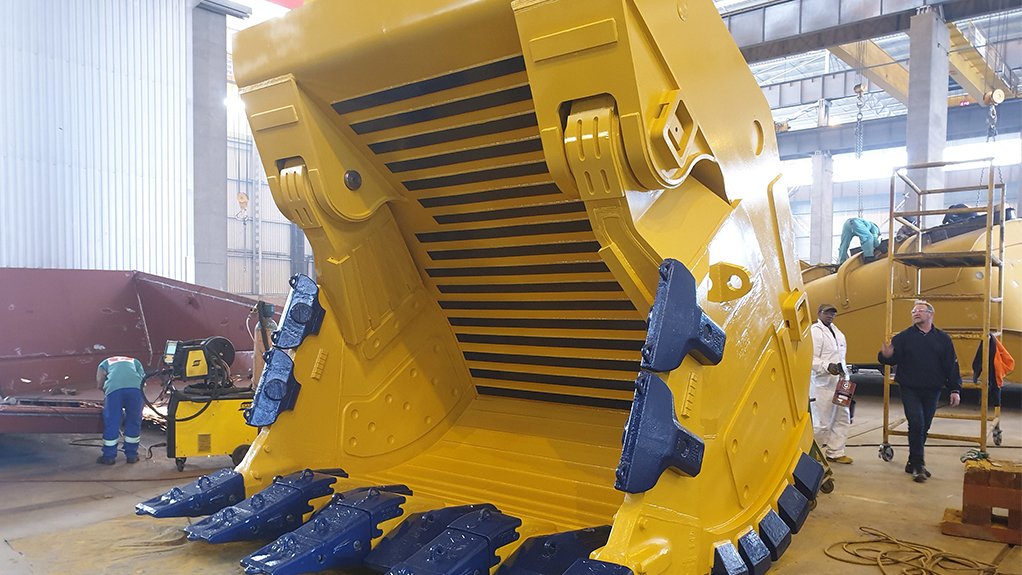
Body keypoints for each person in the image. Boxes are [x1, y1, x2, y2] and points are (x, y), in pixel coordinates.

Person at [877, 300, 961, 483]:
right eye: (913, 311)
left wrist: (955, 388)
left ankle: (911, 461)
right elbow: (889, 360)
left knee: (925, 426)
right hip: (910, 388)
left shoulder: (943, 339)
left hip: (933, 389)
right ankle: (918, 465)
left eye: (920, 311)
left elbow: (951, 365)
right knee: (916, 423)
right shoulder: (903, 337)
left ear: (931, 314)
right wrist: (886, 356)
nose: (915, 313)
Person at [810, 304, 852, 464]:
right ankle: (815, 453)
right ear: (819, 313)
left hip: (841, 383)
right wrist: (827, 366)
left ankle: (836, 451)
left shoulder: (838, 333)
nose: (830, 316)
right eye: (827, 313)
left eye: (833, 313)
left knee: (842, 417)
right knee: (822, 422)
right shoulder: (816, 332)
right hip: (823, 384)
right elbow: (811, 358)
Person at [96, 355, 146, 465]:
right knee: (134, 420)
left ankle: (109, 457)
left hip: (114, 390)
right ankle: (132, 455)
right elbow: (143, 381)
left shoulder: (104, 363)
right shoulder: (135, 361)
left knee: (112, 421)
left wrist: (106, 391)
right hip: (136, 390)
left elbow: (100, 383)